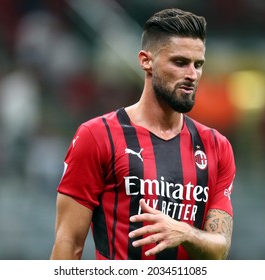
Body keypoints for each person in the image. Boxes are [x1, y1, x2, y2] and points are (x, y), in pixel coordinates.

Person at [50, 8, 236, 260]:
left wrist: (185, 233)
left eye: (198, 64)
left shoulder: (216, 146)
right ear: (146, 61)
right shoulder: (97, 136)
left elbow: (220, 248)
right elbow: (68, 243)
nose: (192, 74)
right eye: (180, 62)